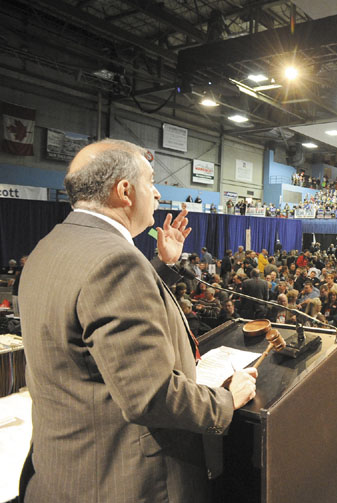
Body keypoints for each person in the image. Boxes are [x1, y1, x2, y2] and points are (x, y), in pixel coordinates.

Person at [18, 139, 257, 502]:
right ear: (125, 191)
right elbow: (152, 396)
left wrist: (165, 265)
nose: (158, 193)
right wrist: (226, 399)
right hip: (122, 480)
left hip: (65, 469)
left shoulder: (49, 246)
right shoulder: (115, 262)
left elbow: (98, 305)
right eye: (150, 181)